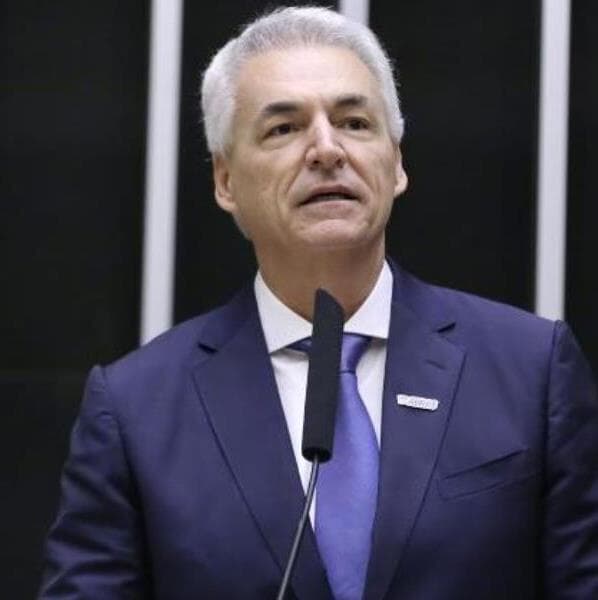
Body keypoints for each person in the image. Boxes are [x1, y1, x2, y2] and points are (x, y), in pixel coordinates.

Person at [39, 7, 598, 599]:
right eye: (284, 129)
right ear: (225, 181)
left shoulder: (531, 369)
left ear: (396, 163)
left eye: (354, 122)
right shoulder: (136, 408)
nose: (327, 150)